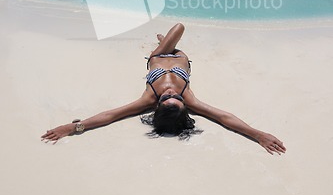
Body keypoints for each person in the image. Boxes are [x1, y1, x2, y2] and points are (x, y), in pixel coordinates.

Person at [41, 23, 286, 155]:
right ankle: (165, 39)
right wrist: (257, 134)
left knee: (176, 30)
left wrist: (74, 127)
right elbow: (223, 117)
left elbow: (111, 115)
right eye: (175, 99)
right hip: (179, 56)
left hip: (157, 57)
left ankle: (162, 42)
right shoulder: (189, 99)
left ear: (158, 106)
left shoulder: (148, 99)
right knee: (179, 28)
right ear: (184, 107)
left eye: (166, 99)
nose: (170, 93)